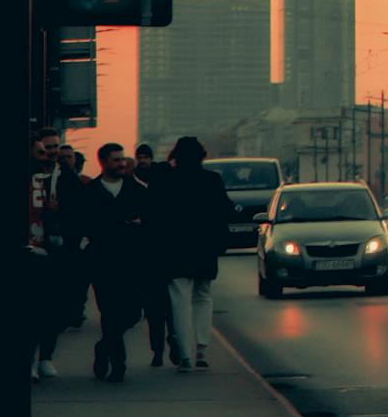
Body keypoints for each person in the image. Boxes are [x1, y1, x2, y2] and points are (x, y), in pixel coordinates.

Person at [73, 143, 155, 383]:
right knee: (109, 313)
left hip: (132, 262)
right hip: (103, 263)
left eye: (122, 159)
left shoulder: (136, 190)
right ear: (103, 162)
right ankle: (118, 364)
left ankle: (104, 347)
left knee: (131, 313)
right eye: (116, 160)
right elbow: (82, 224)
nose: (121, 164)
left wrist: (142, 225)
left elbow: (153, 219)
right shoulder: (91, 192)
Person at [153, 136, 234, 370]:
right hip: (204, 248)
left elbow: (154, 216)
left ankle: (186, 355)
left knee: (179, 301)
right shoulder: (211, 180)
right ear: (201, 155)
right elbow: (225, 210)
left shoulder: (166, 181)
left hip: (174, 249)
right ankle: (201, 348)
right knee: (203, 297)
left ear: (175, 155)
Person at [26, 126, 78, 380]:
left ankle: (46, 357)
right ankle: (31, 358)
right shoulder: (30, 177)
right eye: (47, 148)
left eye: (56, 147)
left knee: (54, 307)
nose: (52, 152)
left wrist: (61, 210)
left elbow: (79, 212)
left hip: (59, 251)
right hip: (31, 250)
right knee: (33, 307)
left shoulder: (67, 176)